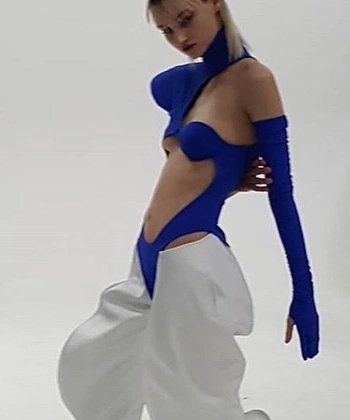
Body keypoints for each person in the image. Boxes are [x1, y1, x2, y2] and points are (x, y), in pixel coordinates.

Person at [56, 1, 319, 419]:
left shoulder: (254, 80)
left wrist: (303, 291)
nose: (179, 38)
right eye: (165, 30)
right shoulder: (182, 84)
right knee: (90, 366)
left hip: (189, 259)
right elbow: (192, 166)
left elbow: (282, 194)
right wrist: (230, 179)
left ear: (215, 3)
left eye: (185, 19)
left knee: (191, 399)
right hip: (146, 255)